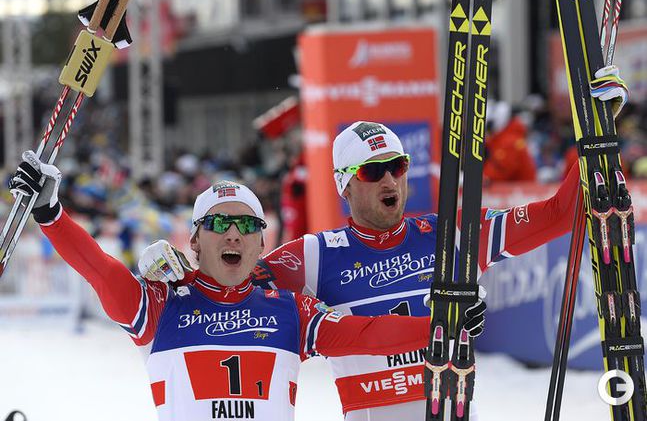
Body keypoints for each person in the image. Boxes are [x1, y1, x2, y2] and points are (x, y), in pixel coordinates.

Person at [139, 71, 628, 421]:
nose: (390, 179)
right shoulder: (315, 255)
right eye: (373, 171)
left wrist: (597, 131)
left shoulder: (447, 237)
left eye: (397, 166)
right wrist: (164, 266)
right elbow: (223, 284)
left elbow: (559, 214)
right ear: (345, 185)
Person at [9, 154, 441, 421]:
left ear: (262, 243)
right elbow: (101, 271)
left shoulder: (292, 311)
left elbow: (368, 334)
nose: (234, 233)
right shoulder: (162, 305)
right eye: (219, 223)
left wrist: (446, 325)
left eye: (248, 225)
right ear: (195, 240)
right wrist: (51, 213)